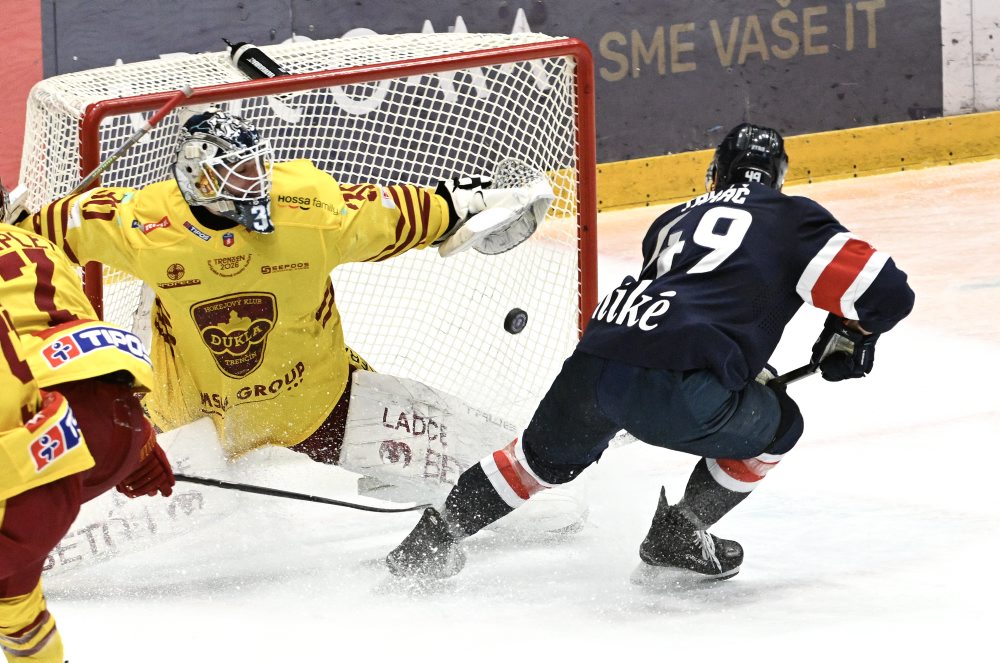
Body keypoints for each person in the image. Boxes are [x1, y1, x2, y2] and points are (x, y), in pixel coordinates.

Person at [385, 123, 916, 581]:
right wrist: (852, 333)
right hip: (677, 384)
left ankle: (429, 542)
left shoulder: (672, 221)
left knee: (534, 461)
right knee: (781, 428)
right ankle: (680, 535)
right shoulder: (790, 217)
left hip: (598, 357)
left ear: (716, 173)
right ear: (778, 176)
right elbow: (888, 291)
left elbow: (688, 301)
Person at [17, 107, 584, 528]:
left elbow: (35, 236)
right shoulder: (151, 225)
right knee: (528, 484)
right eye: (234, 177)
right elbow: (41, 234)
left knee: (549, 500)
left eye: (253, 170)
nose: (253, 184)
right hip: (215, 423)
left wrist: (465, 203)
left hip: (285, 412)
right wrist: (462, 205)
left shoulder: (160, 219)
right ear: (197, 182)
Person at [0, 182, 174, 663]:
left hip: (39, 443)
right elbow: (77, 343)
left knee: (15, 605)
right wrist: (138, 451)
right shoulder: (39, 244)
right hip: (121, 424)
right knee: (14, 608)